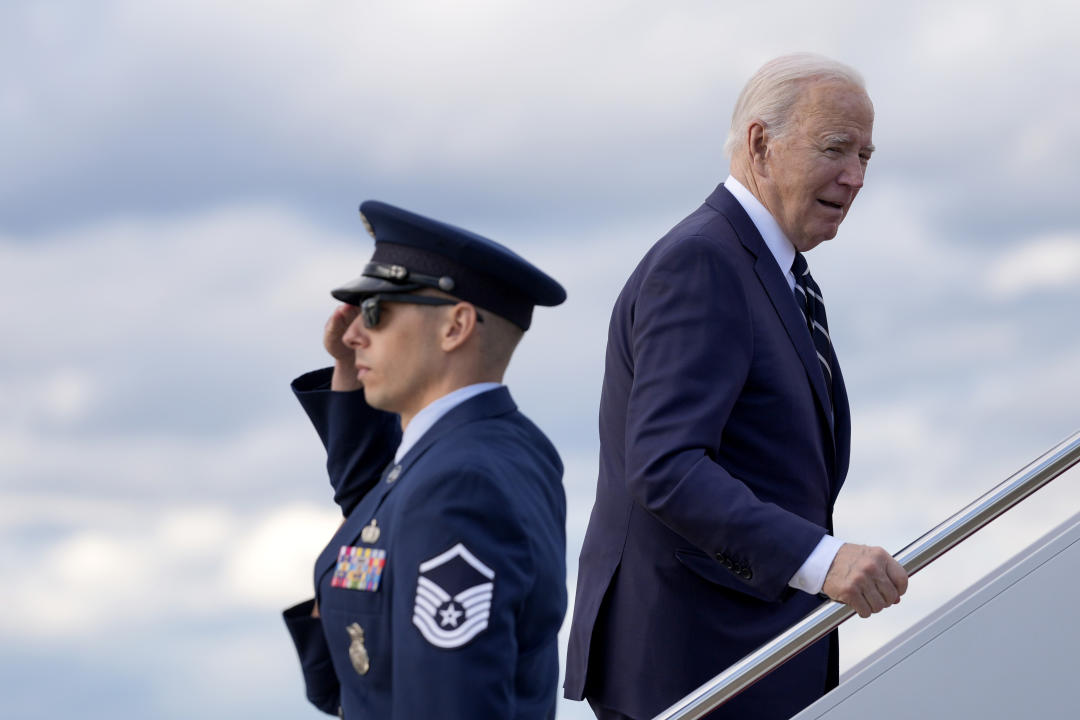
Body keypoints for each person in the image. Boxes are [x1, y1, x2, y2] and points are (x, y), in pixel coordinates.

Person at [563, 54, 910, 720]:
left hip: (744, 657)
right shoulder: (704, 261)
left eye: (866, 156)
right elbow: (665, 467)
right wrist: (821, 560)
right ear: (760, 144)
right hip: (697, 666)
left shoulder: (775, 274)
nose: (855, 177)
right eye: (836, 149)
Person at [282, 200, 568, 719]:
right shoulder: (490, 449)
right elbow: (377, 505)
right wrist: (349, 373)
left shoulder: (459, 483)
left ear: (455, 327)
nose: (350, 334)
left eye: (376, 313)